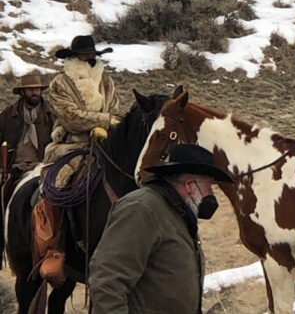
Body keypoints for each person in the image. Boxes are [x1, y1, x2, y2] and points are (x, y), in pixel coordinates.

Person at [89, 143, 233, 314]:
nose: (211, 195)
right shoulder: (141, 209)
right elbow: (107, 281)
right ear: (190, 185)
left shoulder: (177, 212)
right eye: (209, 186)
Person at [34, 35, 120, 284]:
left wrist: (108, 126)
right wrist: (103, 121)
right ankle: (53, 247)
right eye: (84, 54)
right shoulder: (60, 83)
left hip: (104, 145)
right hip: (71, 145)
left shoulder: (106, 82)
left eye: (91, 54)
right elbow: (70, 117)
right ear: (73, 57)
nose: (89, 57)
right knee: (57, 184)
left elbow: (115, 109)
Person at [0, 73, 53, 197]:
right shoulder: (7, 115)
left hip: (44, 166)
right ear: (22, 92)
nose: (34, 92)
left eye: (37, 89)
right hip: (14, 168)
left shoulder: (51, 114)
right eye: (30, 89)